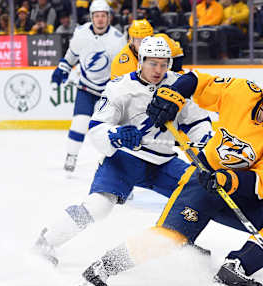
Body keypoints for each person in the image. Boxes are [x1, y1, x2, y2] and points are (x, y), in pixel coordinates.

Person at [77, 65, 263, 286]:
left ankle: (235, 268)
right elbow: (197, 81)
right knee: (170, 238)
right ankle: (103, 267)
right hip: (203, 181)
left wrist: (226, 179)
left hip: (240, 190)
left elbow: (262, 181)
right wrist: (173, 96)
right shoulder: (240, 92)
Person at [33, 36, 213, 266]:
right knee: (99, 206)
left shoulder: (178, 86)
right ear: (141, 60)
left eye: (163, 63)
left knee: (197, 194)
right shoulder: (120, 88)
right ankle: (47, 241)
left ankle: (180, 238)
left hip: (163, 161)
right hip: (125, 160)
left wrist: (204, 146)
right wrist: (116, 135)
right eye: (152, 63)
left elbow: (197, 123)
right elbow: (97, 126)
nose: (158, 70)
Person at [50, 0, 126, 173]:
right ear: (92, 17)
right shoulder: (81, 33)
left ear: (109, 17)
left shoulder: (117, 39)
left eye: (103, 16)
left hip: (107, 93)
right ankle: (71, 155)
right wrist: (63, 68)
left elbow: (121, 69)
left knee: (110, 132)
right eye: (97, 16)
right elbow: (72, 55)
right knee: (79, 122)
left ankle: (117, 169)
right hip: (85, 88)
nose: (100, 19)